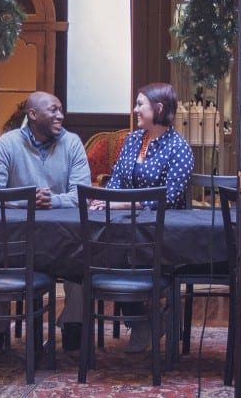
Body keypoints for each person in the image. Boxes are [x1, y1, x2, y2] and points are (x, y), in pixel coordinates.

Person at [0, 91, 92, 351]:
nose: (60, 115)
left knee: (81, 257)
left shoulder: (72, 143)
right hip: (18, 240)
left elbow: (82, 195)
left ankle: (74, 327)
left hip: (64, 238)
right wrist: (27, 199)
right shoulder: (8, 143)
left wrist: (54, 200)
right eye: (53, 110)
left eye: (61, 110)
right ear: (33, 114)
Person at [90, 82, 194, 352]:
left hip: (162, 232)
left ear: (158, 109)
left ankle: (143, 319)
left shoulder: (179, 148)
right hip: (126, 227)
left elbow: (168, 198)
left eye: (140, 104)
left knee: (126, 258)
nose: (135, 109)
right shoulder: (134, 139)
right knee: (100, 253)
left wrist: (125, 205)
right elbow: (116, 180)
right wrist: (105, 200)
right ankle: (141, 319)